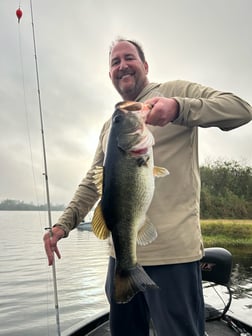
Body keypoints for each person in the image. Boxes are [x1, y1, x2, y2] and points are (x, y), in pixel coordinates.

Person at [43, 38, 252, 336]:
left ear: (145, 65)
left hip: (174, 258)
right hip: (121, 260)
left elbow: (241, 110)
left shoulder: (176, 91)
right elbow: (93, 181)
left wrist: (179, 107)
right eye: (114, 62)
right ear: (110, 74)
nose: (122, 65)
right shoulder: (111, 125)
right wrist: (62, 226)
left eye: (129, 57)